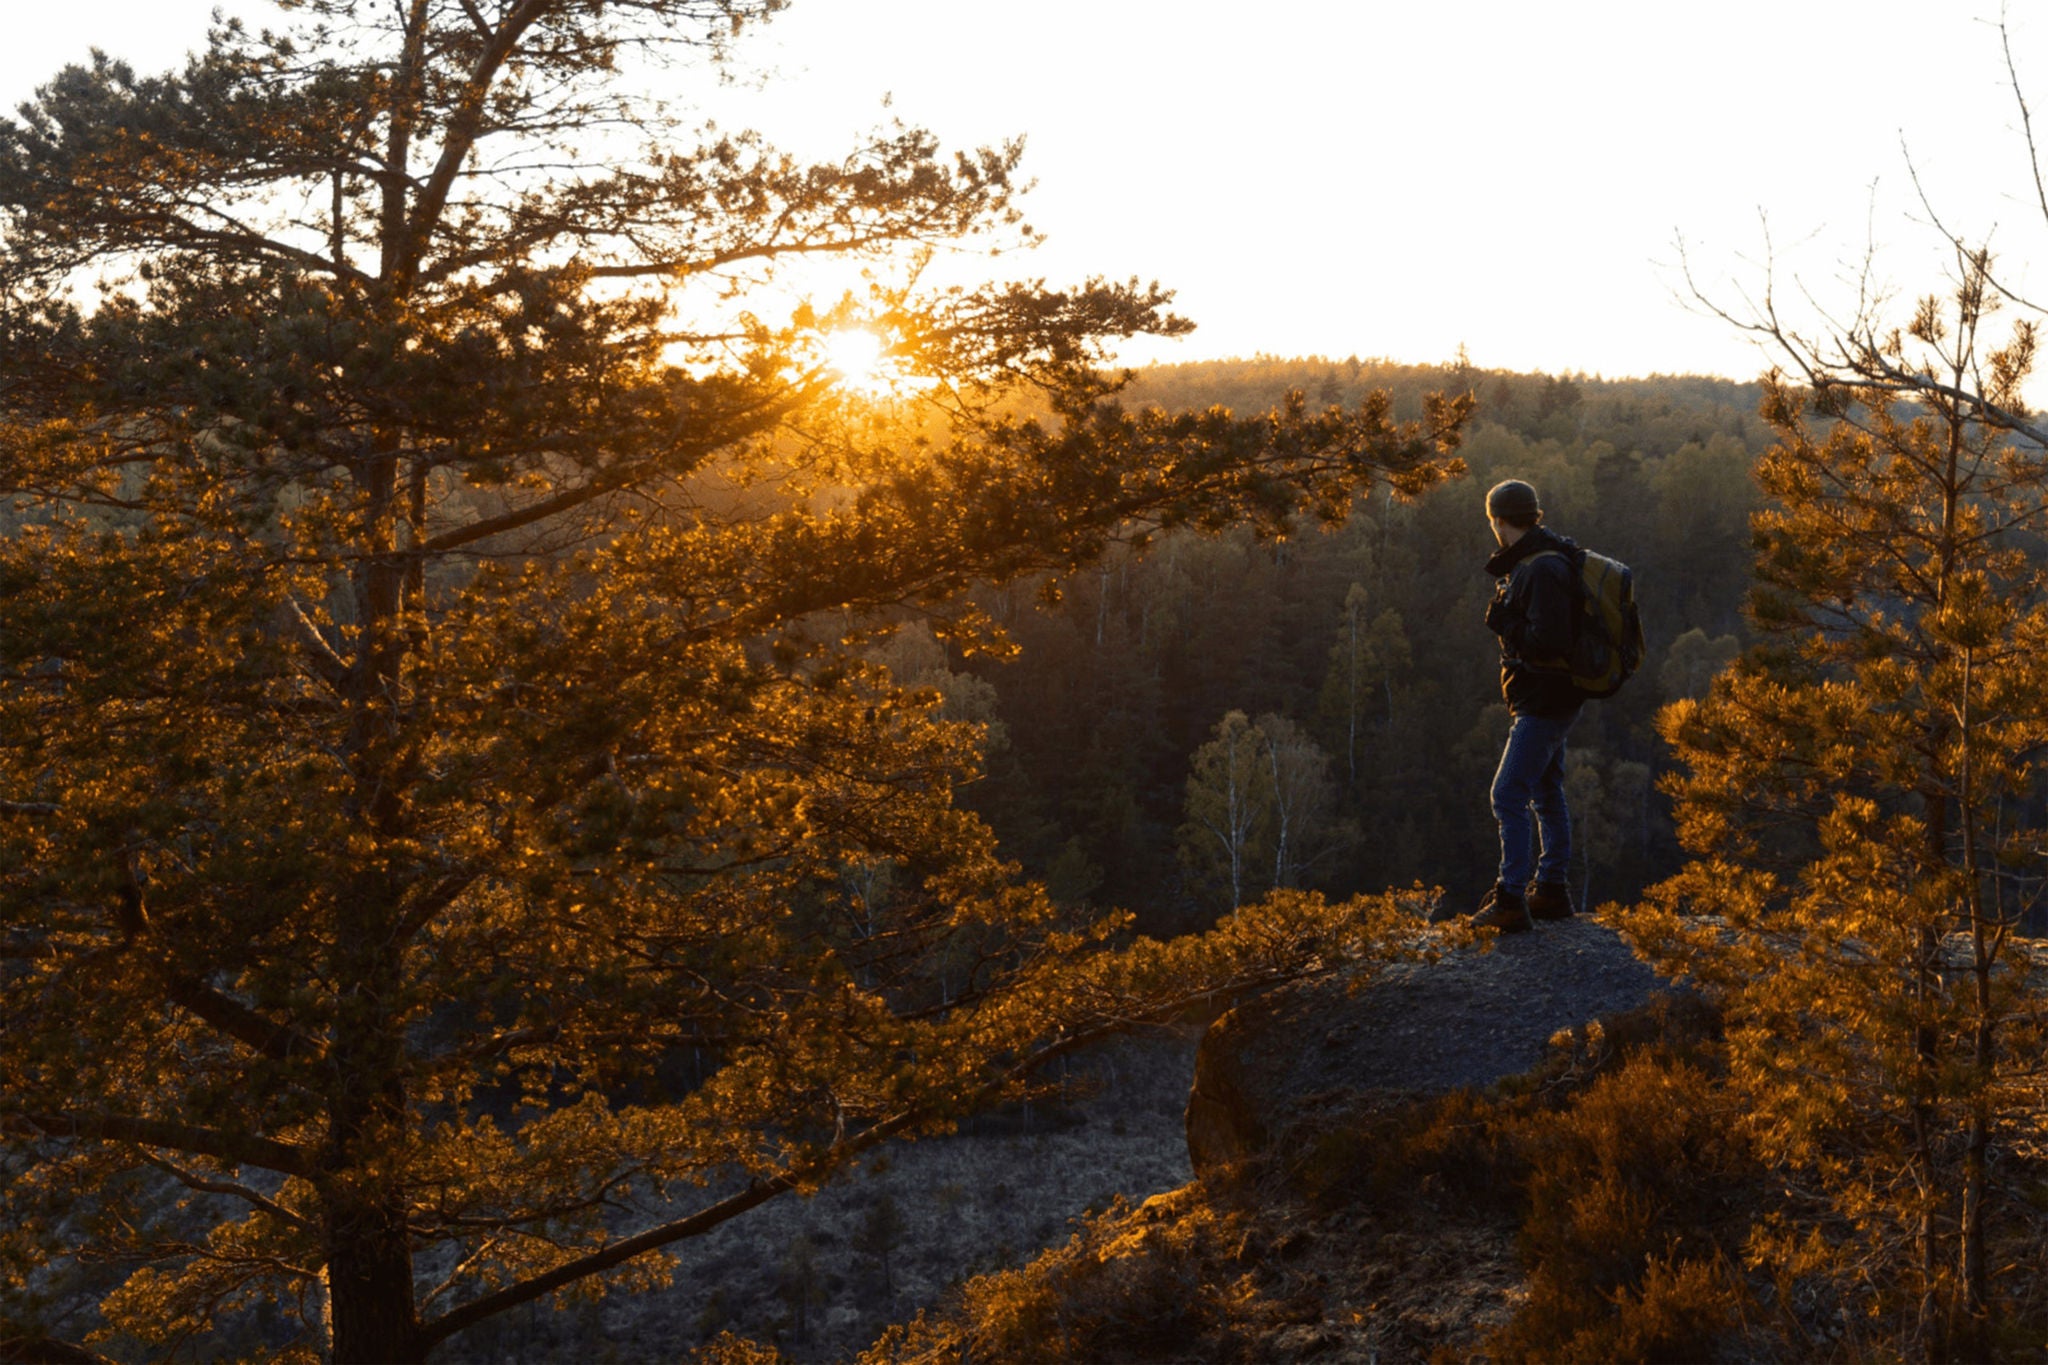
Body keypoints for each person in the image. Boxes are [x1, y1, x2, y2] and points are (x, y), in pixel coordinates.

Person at [1473, 478, 1580, 932]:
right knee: (1545, 791)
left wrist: (1507, 624)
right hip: (1553, 697)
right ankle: (1552, 890)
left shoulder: (1539, 569)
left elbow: (1548, 641)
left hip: (1543, 699)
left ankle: (1512, 897)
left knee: (1507, 793)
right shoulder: (1544, 560)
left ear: (1497, 520)